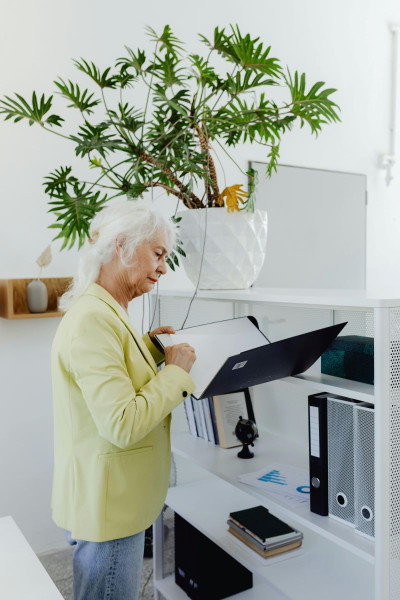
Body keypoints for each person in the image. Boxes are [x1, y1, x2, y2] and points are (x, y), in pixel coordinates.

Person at [51, 200, 196, 600]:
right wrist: (175, 374)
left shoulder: (106, 311)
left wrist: (150, 353)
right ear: (122, 246)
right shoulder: (94, 319)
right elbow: (122, 422)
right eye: (158, 253)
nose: (164, 267)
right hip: (109, 507)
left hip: (109, 499)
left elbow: (116, 382)